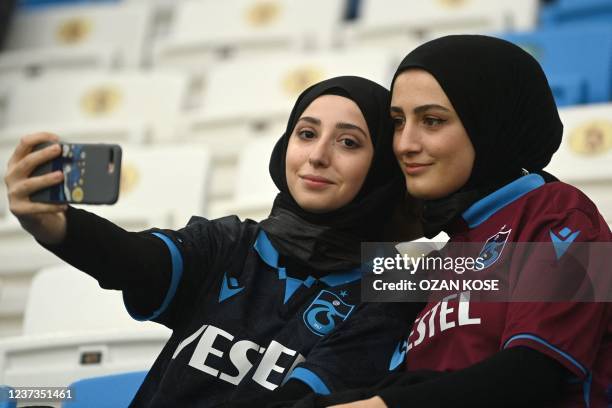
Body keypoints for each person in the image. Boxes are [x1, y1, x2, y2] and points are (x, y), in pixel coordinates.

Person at [3, 76, 424, 407]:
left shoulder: (387, 289)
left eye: (348, 142)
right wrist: (54, 225)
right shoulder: (230, 242)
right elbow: (132, 260)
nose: (317, 156)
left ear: (381, 169)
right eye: (306, 133)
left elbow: (300, 402)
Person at [289, 36, 612, 408]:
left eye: (432, 121)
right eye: (397, 122)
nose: (404, 144)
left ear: (490, 122)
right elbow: (348, 354)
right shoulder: (434, 257)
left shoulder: (566, 213)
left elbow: (533, 377)